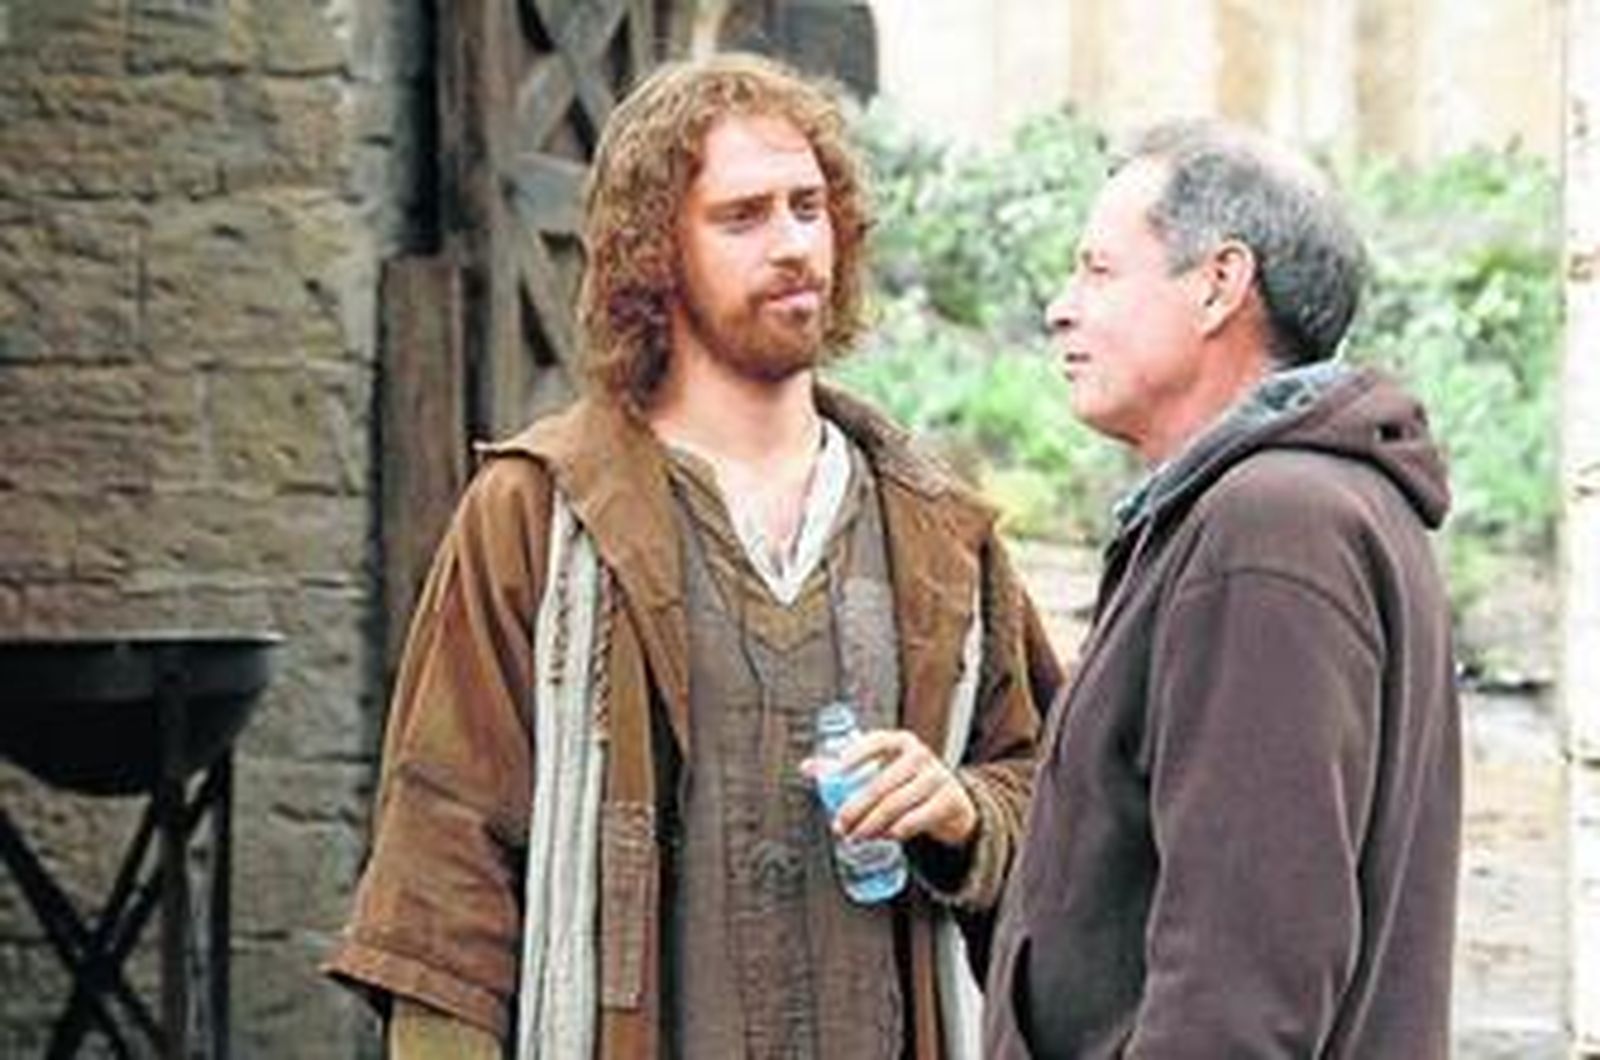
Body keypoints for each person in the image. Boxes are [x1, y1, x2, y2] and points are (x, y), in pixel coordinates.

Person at [326, 53, 1056, 1060]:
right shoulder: (540, 513)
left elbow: (1056, 795)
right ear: (652, 254)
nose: (795, 244)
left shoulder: (935, 531)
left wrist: (962, 809)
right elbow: (444, 869)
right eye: (744, 216)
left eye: (809, 207)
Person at [983, 119, 1461, 1059]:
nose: (1060, 308)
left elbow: (1240, 979)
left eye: (1098, 271)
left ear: (1219, 284)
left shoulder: (1273, 526)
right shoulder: (1268, 507)